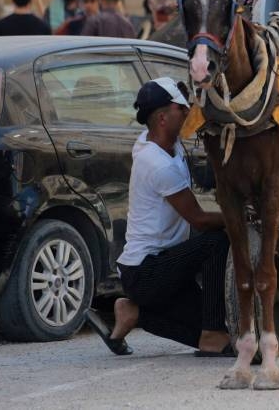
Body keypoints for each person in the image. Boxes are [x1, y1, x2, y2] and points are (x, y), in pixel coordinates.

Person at [86, 77, 232, 357]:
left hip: (164, 265)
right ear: (163, 118)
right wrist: (239, 216)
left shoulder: (163, 143)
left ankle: (133, 312)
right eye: (182, 108)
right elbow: (199, 219)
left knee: (219, 338)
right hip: (147, 272)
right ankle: (210, 332)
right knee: (215, 240)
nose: (188, 112)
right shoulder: (156, 163)